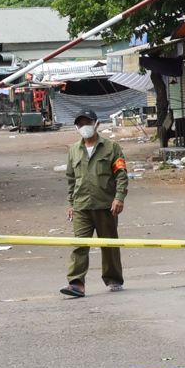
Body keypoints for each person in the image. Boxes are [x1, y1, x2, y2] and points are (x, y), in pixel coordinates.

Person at [61, 111, 126, 297]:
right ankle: (76, 283)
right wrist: (71, 203)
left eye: (88, 123)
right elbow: (71, 179)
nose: (84, 127)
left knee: (109, 244)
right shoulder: (74, 150)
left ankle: (113, 278)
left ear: (97, 124)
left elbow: (121, 175)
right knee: (79, 244)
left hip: (106, 204)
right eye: (80, 124)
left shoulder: (111, 147)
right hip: (81, 206)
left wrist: (119, 197)